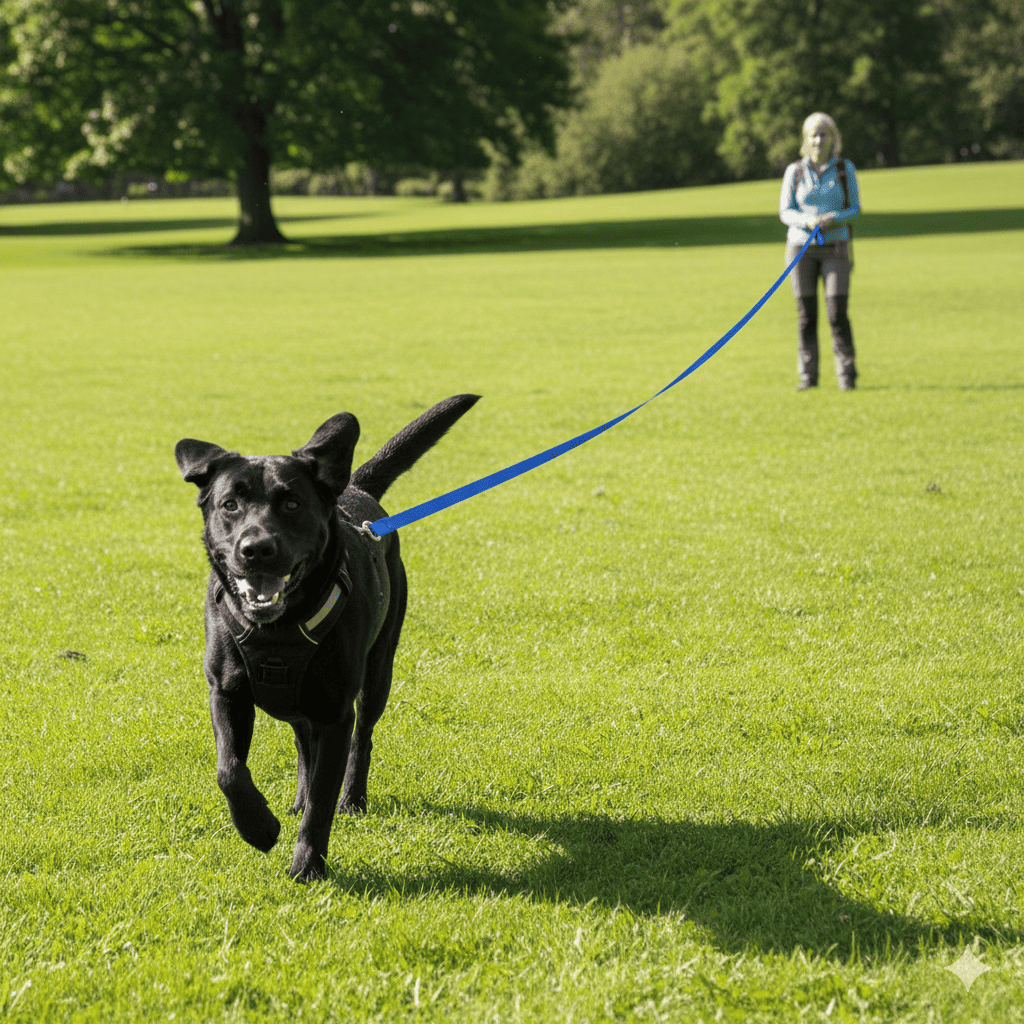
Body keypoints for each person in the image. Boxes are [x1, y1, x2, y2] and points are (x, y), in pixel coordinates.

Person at [779, 112, 861, 390]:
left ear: (833, 138)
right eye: (813, 135)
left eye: (823, 134)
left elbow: (855, 209)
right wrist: (807, 221)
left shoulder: (844, 169)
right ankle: (808, 376)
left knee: (837, 313)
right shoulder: (795, 171)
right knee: (806, 316)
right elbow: (785, 211)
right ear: (806, 138)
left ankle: (846, 374)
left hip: (835, 247)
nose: (818, 140)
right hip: (801, 249)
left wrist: (833, 217)